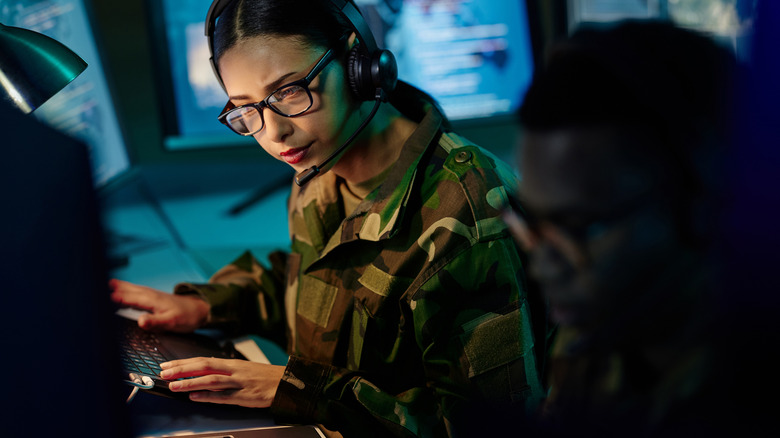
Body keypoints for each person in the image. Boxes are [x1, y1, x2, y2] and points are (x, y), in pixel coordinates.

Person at [110, 0, 546, 436]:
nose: (274, 133)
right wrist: (206, 306)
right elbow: (325, 295)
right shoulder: (320, 167)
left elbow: (487, 427)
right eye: (246, 109)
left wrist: (298, 389)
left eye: (289, 91)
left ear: (358, 64)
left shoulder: (469, 217)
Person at [503, 20, 746, 437]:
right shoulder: (596, 341)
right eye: (531, 223)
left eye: (577, 227)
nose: (544, 265)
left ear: (704, 201)